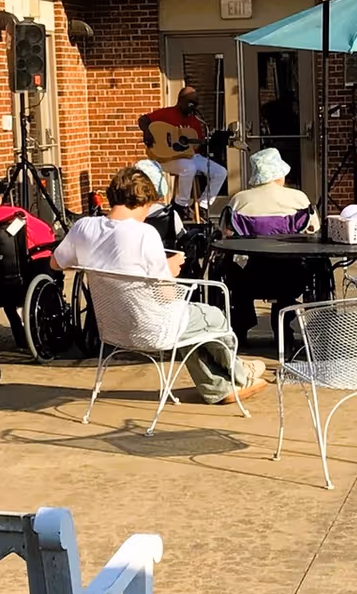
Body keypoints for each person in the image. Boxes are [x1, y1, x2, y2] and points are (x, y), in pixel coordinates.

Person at [51, 166, 265, 405]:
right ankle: (240, 373)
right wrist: (171, 269)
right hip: (152, 327)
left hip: (112, 327)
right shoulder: (144, 233)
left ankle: (218, 387)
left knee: (191, 325)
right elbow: (165, 294)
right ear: (142, 202)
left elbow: (56, 262)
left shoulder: (84, 228)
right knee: (213, 316)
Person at [223, 147, 316, 346]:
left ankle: (241, 326)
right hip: (291, 276)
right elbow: (314, 231)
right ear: (279, 175)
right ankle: (283, 328)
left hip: (249, 277)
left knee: (231, 268)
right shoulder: (299, 199)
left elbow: (225, 235)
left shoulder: (239, 200)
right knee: (300, 267)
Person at [138, 86, 226, 213]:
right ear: (181, 100)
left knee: (221, 172)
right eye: (190, 103)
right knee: (189, 168)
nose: (192, 107)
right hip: (167, 158)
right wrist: (147, 133)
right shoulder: (167, 113)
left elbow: (198, 143)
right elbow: (143, 120)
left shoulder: (195, 120)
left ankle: (202, 206)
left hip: (191, 156)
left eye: (194, 104)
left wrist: (211, 143)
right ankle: (180, 205)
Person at [226, 147, 315, 231]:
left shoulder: (238, 200)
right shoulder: (299, 197)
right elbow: (313, 227)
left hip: (247, 247)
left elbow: (225, 230)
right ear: (280, 176)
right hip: (291, 246)